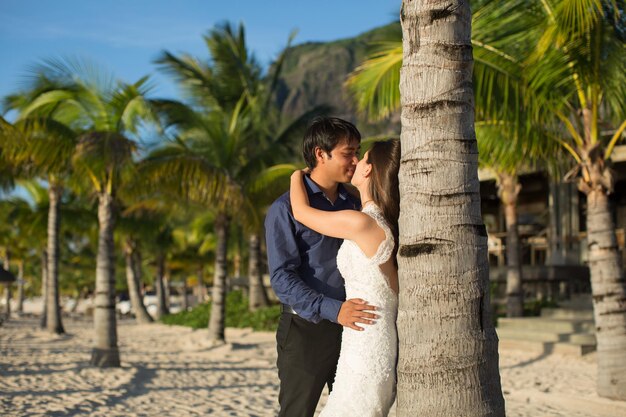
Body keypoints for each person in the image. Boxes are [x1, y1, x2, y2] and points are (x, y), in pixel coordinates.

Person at [265, 117, 378, 417]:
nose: (354, 160)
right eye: (347, 153)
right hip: (306, 330)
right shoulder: (285, 209)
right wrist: (333, 309)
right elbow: (281, 278)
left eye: (357, 152)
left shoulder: (355, 204)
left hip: (357, 327)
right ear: (320, 154)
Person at [290, 138, 401, 417]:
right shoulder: (382, 223)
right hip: (371, 333)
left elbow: (302, 213)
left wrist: (295, 176)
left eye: (361, 158)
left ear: (369, 171)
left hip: (366, 339)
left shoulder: (363, 223)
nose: (355, 162)